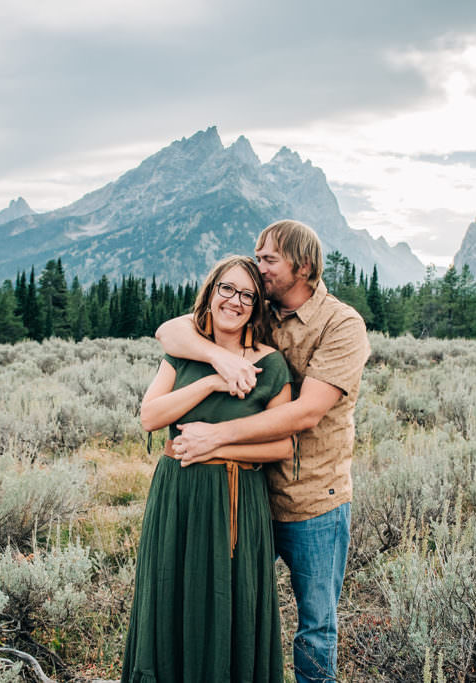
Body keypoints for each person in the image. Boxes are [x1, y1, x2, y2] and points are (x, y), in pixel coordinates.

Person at [157, 220, 371, 683]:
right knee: (233, 607)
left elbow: (305, 415)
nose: (259, 267)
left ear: (304, 267)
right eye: (257, 256)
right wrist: (219, 359)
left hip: (312, 499)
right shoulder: (262, 308)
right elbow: (170, 332)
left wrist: (217, 436)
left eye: (269, 259)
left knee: (315, 627)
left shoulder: (341, 324)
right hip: (249, 493)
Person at [122, 255, 294, 683]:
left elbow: (284, 444)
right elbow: (150, 416)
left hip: (236, 501)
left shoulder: (270, 364)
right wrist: (215, 377)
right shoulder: (183, 351)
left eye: (247, 295)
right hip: (177, 495)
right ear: (212, 292)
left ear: (256, 307)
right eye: (227, 289)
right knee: (171, 597)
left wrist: (220, 439)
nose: (235, 301)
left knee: (226, 603)